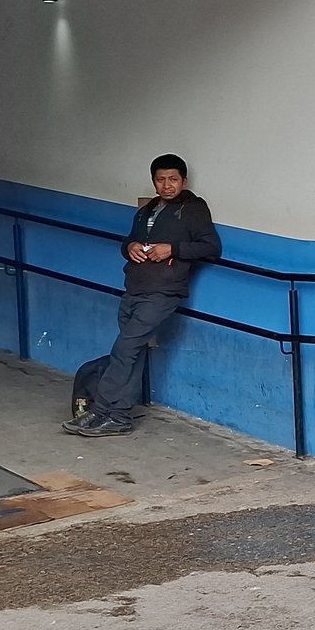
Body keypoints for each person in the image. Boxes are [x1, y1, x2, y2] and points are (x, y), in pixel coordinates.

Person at [62, 155, 221, 438]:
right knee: (132, 354)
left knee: (124, 349)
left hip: (163, 292)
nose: (167, 185)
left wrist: (172, 249)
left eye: (173, 179)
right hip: (135, 287)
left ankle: (99, 411)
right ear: (153, 182)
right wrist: (131, 246)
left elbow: (210, 247)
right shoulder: (147, 209)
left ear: (183, 181)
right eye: (161, 180)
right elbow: (128, 240)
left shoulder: (194, 209)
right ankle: (120, 416)